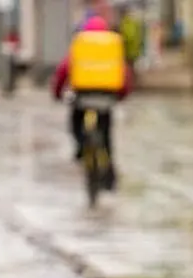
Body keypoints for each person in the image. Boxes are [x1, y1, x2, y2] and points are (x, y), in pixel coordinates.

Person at [52, 15, 133, 190]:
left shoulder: (81, 44)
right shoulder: (112, 45)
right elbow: (123, 73)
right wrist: (121, 95)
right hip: (107, 97)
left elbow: (64, 70)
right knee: (106, 136)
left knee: (75, 123)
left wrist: (57, 93)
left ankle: (82, 148)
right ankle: (110, 174)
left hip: (82, 97)